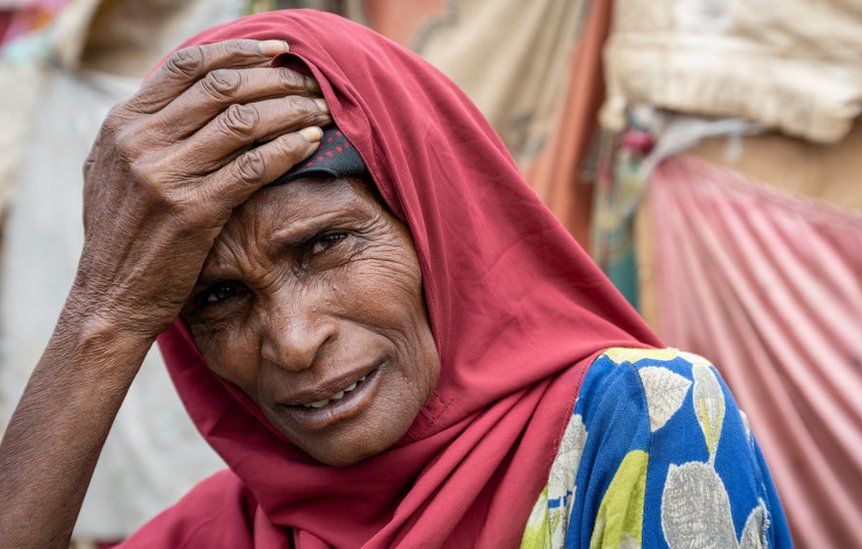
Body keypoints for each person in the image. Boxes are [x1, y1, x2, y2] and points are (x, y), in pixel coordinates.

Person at [0, 10, 792, 548]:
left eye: (324, 245)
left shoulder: (639, 420)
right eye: (218, 298)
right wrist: (100, 316)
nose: (295, 341)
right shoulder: (224, 529)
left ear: (438, 222)